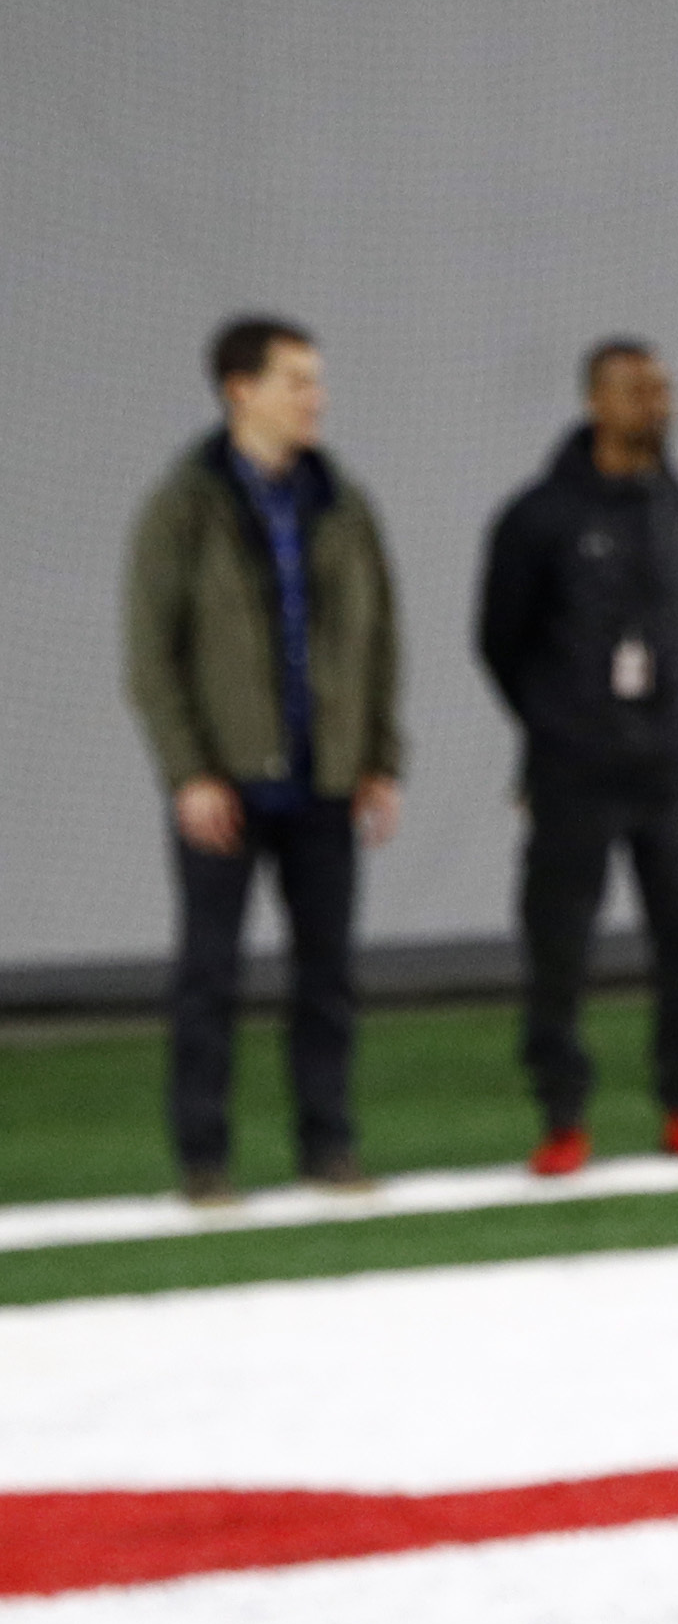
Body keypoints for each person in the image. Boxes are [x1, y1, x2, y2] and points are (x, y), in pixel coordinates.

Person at [122, 314, 406, 1201]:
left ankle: (330, 1144)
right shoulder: (186, 503)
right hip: (228, 783)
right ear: (239, 389)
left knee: (328, 977)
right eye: (296, 381)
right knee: (209, 976)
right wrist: (190, 772)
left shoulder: (341, 501)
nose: (313, 398)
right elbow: (151, 650)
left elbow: (380, 635)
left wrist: (379, 757)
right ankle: (204, 1158)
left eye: (316, 381)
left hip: (324, 779)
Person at [476, 335, 678, 1176]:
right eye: (636, 391)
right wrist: (559, 719)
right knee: (559, 942)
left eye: (662, 390)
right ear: (596, 402)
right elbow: (499, 639)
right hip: (573, 767)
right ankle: (561, 1115)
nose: (656, 405)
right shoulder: (538, 518)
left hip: (670, 762)